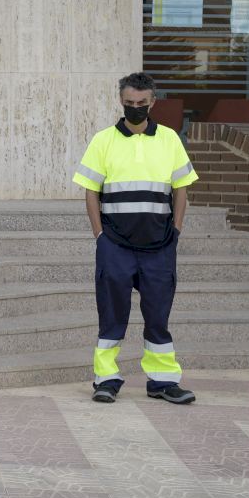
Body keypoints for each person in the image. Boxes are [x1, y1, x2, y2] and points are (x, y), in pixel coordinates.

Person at [73, 72, 198, 405]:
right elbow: (90, 191)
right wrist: (100, 236)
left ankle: (163, 381)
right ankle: (106, 379)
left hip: (160, 245)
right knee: (111, 314)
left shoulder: (170, 139)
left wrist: (176, 231)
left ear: (152, 102)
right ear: (121, 101)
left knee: (158, 315)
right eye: (129, 103)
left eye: (142, 103)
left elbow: (181, 189)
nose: (135, 108)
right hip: (115, 245)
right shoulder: (103, 140)